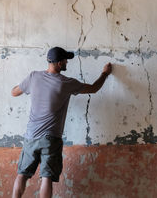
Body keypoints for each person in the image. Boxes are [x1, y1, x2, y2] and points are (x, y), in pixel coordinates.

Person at [11, 46, 112, 198]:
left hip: (31, 136)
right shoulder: (66, 83)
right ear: (59, 63)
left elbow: (14, 92)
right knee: (47, 178)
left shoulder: (33, 77)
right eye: (65, 60)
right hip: (51, 138)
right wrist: (105, 73)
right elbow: (94, 88)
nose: (67, 63)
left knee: (22, 175)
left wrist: (25, 86)